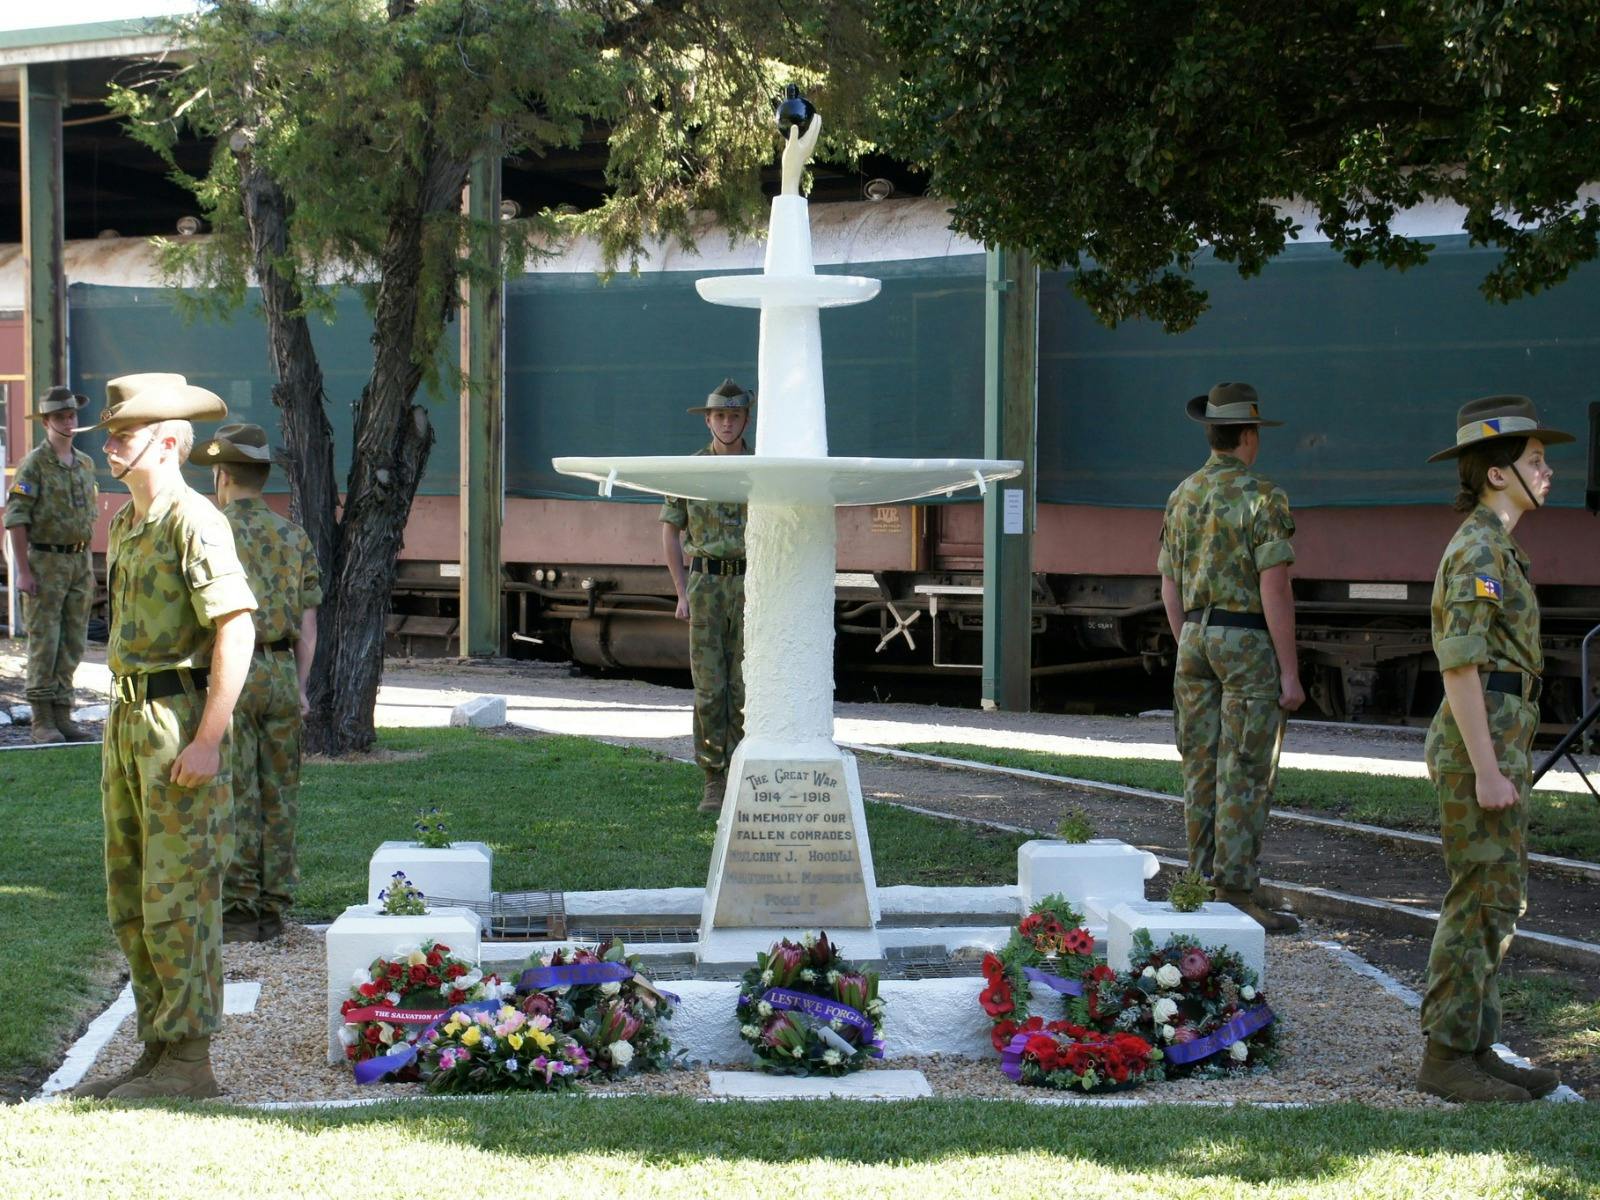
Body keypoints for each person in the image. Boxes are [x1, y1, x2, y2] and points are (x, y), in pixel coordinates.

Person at [68, 373, 257, 1101]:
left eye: (125, 435)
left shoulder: (194, 519)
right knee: (133, 894)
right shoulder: (126, 520)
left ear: (171, 442)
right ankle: (159, 1047)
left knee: (179, 896)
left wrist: (209, 738)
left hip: (178, 721)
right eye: (111, 435)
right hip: (131, 723)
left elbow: (234, 628)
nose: (110, 447)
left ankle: (190, 1063)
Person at [1415, 395, 1571, 1104]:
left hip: (1499, 739)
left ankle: (1476, 1044)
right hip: (1481, 744)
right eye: (1536, 461)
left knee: (1499, 899)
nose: (1549, 472)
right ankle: (1446, 1059)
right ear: (1498, 473)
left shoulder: (1499, 546)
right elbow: (1460, 664)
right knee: (1477, 899)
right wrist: (1484, 769)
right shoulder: (1478, 549)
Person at [1158, 382, 1304, 933]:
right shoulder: (1263, 496)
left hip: (1194, 636)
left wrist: (1190, 641)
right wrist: (1288, 671)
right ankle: (1237, 893)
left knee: (1199, 765)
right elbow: (1275, 589)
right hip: (1246, 643)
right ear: (1248, 435)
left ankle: (1198, 884)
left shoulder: (1183, 494)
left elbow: (1169, 584)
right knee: (1244, 769)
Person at [194, 423, 321, 945]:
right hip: (280, 671)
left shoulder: (209, 529)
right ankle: (274, 907)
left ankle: (240, 912)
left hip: (230, 671)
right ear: (262, 476)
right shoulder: (293, 534)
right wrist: (300, 686)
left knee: (235, 791)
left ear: (222, 475)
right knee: (280, 793)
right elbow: (309, 628)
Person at [661, 379, 752, 813]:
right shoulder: (691, 470)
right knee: (710, 688)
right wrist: (682, 592)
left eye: (735, 416)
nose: (727, 423)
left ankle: (743, 772)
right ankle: (713, 780)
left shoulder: (761, 468)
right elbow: (670, 531)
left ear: (745, 419)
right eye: (720, 416)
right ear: (709, 421)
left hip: (751, 585)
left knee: (746, 686)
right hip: (707, 585)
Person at [3, 385, 98, 744]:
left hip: (79, 562)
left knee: (73, 641)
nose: (69, 421)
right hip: (44, 562)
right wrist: (24, 572)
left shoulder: (85, 463)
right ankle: (42, 720)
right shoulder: (34, 464)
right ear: (46, 421)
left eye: (72, 414)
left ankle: (64, 714)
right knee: (46, 641)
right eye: (60, 416)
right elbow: (15, 518)